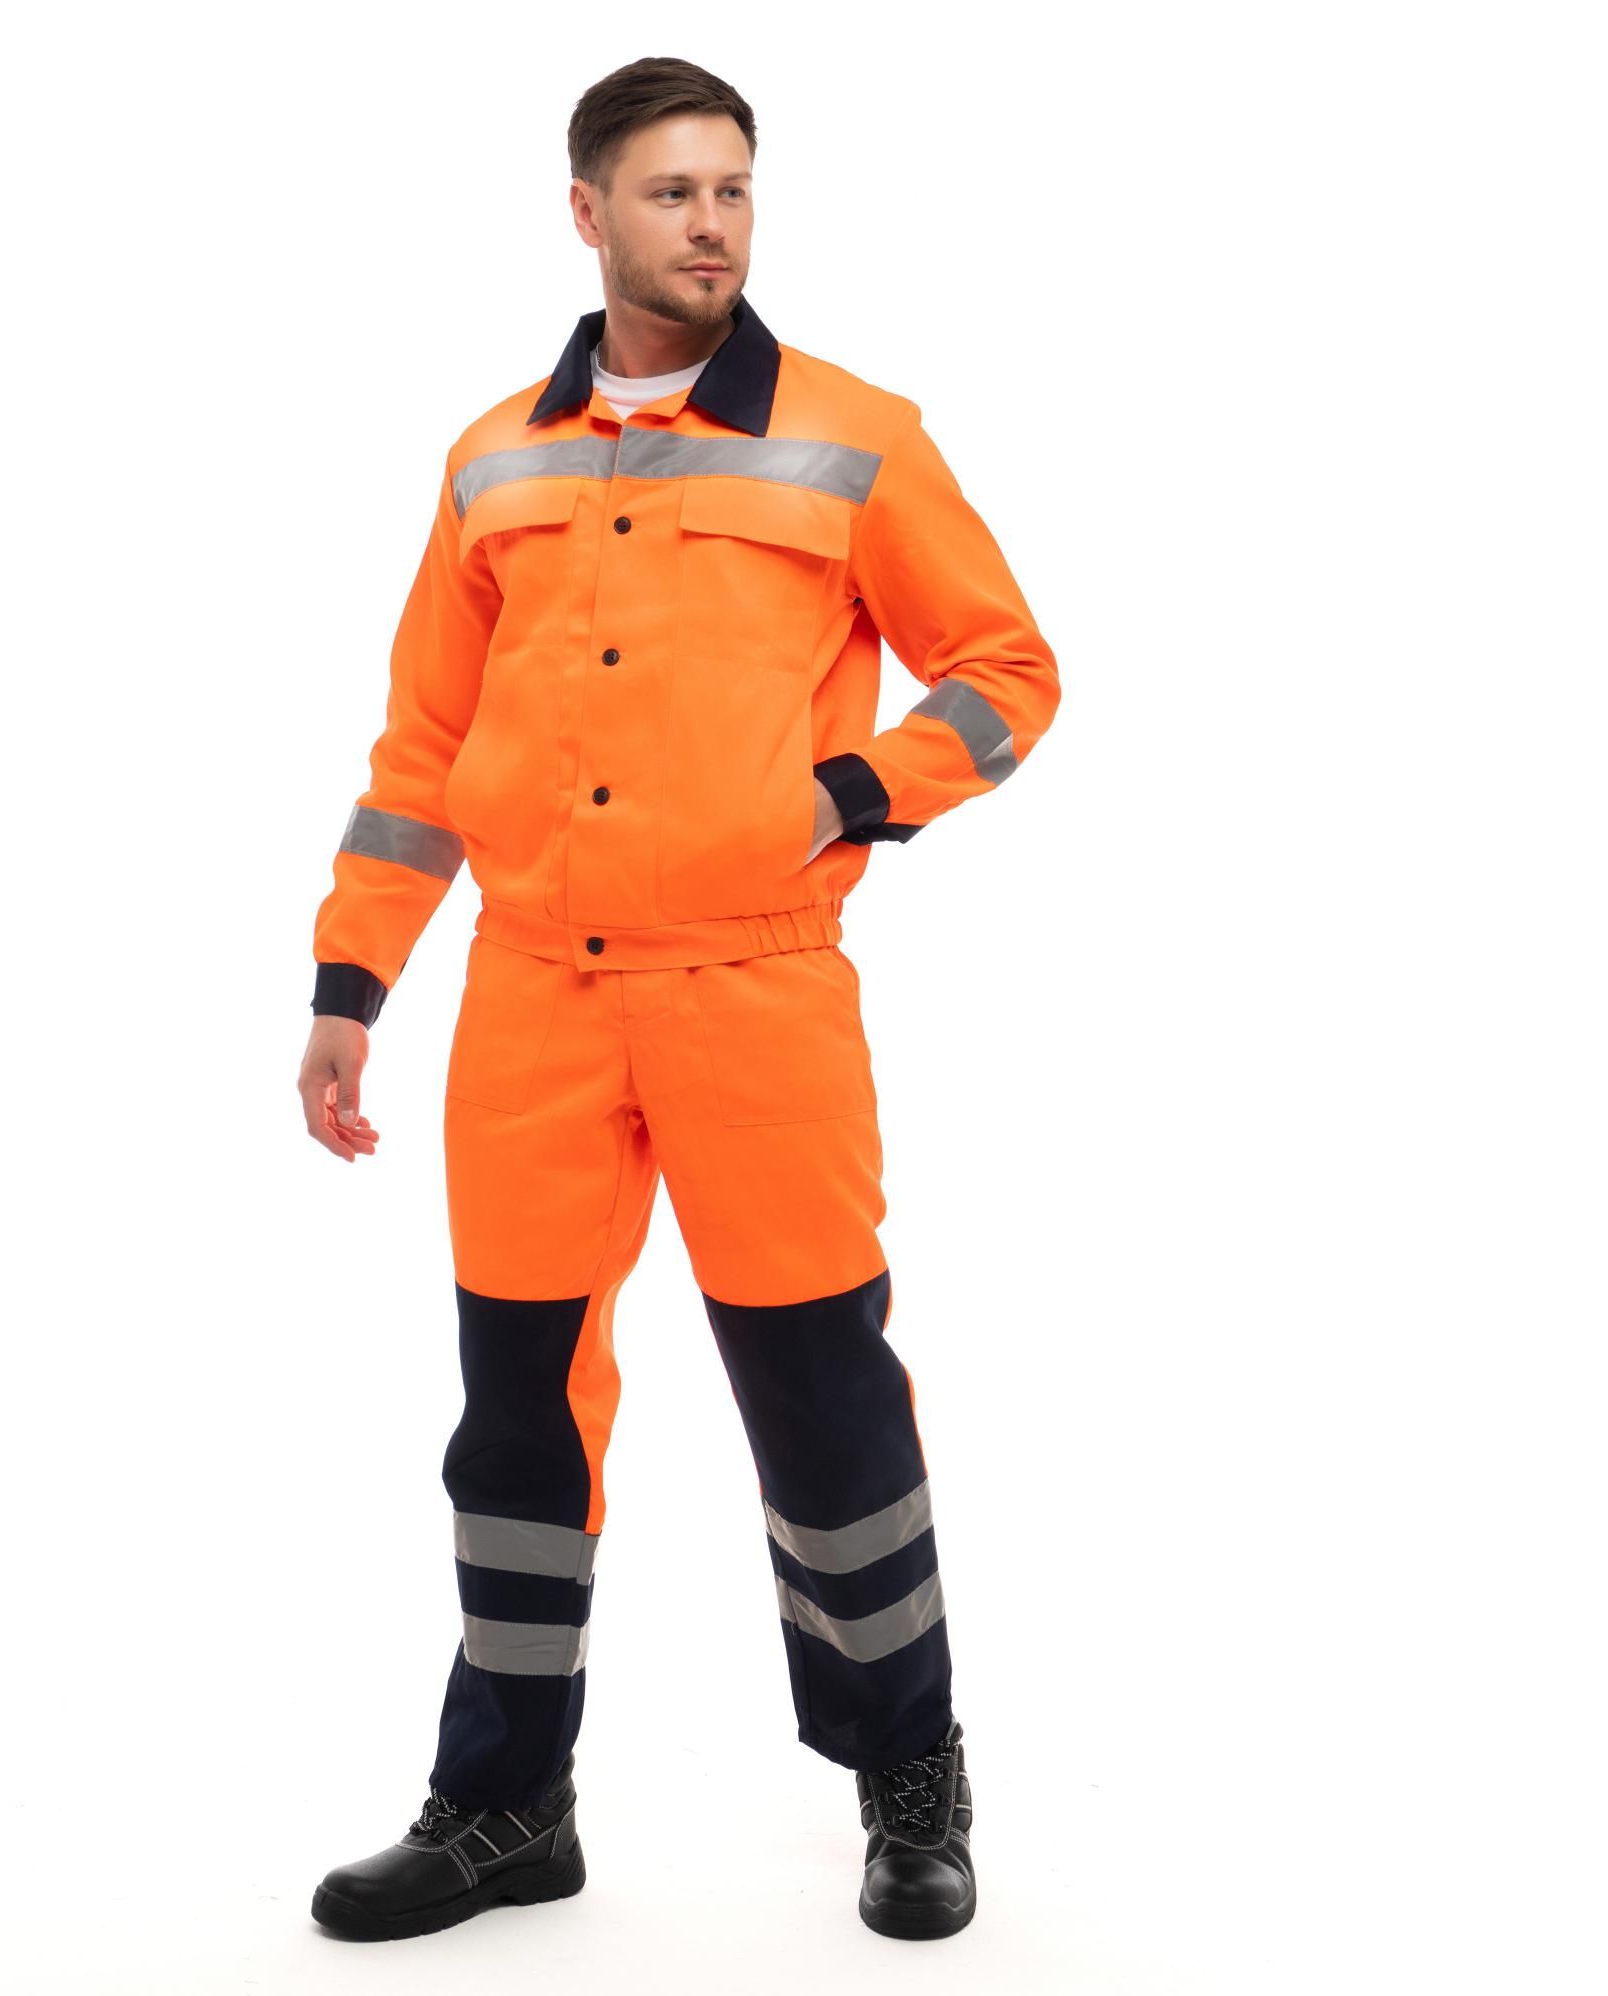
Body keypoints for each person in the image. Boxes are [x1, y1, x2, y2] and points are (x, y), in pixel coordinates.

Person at [298, 55, 1060, 1944]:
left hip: (754, 994)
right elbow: (424, 745)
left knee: (823, 1401)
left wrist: (850, 792)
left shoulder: (855, 434)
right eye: (671, 194)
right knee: (515, 1421)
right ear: (589, 214)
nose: (712, 226)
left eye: (733, 190)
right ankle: (504, 1806)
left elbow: (1006, 670)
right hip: (532, 1004)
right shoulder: (494, 456)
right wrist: (352, 977)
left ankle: (910, 1779)